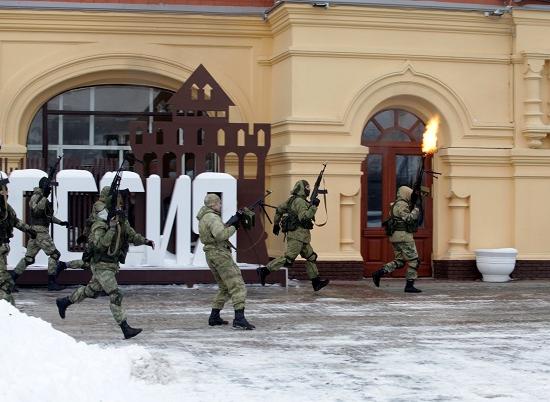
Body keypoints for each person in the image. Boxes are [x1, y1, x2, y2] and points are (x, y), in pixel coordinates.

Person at [55, 186, 155, 339]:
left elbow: (131, 235)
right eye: (117, 199)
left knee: (91, 291)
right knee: (116, 294)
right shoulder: (100, 223)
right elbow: (100, 244)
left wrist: (146, 241)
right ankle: (125, 328)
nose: (120, 202)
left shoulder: (119, 218)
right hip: (101, 264)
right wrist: (112, 229)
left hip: (112, 265)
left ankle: (64, 302)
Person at [257, 180, 329, 291]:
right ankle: (264, 271)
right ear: (302, 189)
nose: (308, 190)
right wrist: (314, 206)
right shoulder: (300, 202)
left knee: (311, 257)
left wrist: (276, 224)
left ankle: (316, 282)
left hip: (302, 237)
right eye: (306, 188)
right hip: (297, 236)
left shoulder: (292, 200)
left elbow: (279, 208)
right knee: (288, 259)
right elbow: (304, 217)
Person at [197, 193, 255, 330]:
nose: (220, 205)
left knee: (224, 287)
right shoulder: (213, 217)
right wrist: (234, 227)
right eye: (219, 203)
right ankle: (239, 319)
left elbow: (216, 232)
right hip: (220, 255)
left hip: (211, 255)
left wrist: (231, 222)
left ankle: (214, 317)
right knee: (238, 285)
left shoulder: (205, 217)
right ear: (213, 204)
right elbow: (221, 235)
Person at [11, 177, 69, 291]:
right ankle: (51, 282)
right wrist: (45, 198)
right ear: (44, 186)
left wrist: (60, 222)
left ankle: (11, 280)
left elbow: (47, 217)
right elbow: (37, 211)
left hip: (35, 232)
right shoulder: (36, 197)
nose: (50, 190)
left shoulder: (40, 197)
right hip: (40, 232)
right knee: (55, 255)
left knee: (29, 258)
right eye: (49, 188)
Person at [372, 185, 422, 293]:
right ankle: (409, 285)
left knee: (400, 261)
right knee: (414, 261)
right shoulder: (402, 205)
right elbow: (408, 218)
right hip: (404, 237)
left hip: (396, 237)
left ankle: (379, 273)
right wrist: (415, 210)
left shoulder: (395, 204)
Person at [0, 178, 37, 305]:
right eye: (4, 190)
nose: (6, 193)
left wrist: (29, 230)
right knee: (3, 281)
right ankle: (9, 310)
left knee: (5, 278)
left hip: (4, 247)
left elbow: (15, 221)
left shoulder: (6, 208)